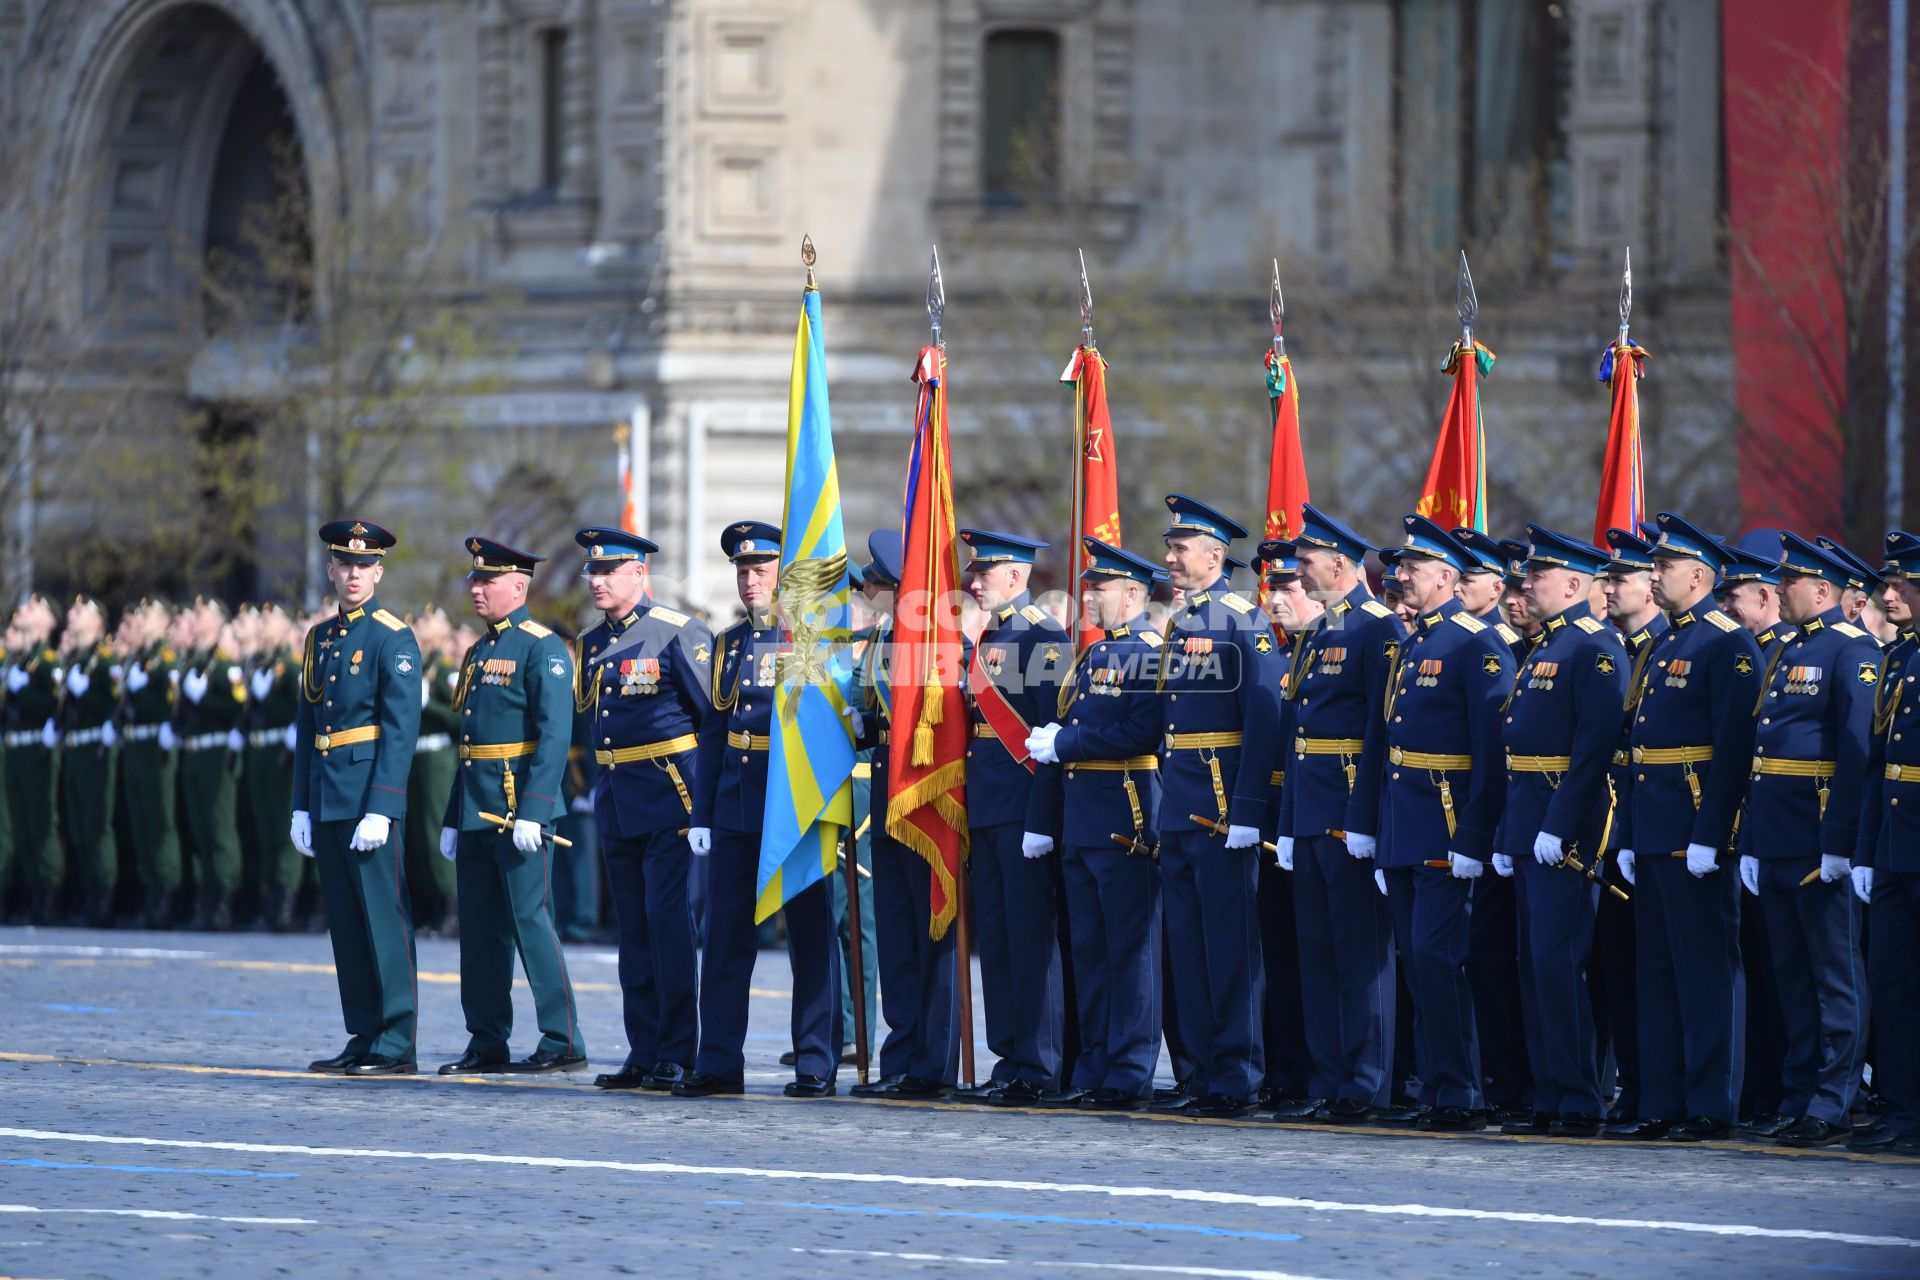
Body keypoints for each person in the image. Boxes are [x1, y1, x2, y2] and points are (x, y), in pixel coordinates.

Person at [680, 521, 842, 1098]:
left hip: (793, 803)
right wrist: (703, 815)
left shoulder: (811, 638)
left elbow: (831, 730)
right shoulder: (728, 644)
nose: (750, 582)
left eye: (761, 571)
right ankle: (719, 1061)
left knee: (810, 935)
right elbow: (715, 732)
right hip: (736, 806)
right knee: (724, 939)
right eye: (743, 572)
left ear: (783, 575)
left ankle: (816, 1060)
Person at [1615, 512, 1763, 1142]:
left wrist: (1713, 832)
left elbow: (1733, 751)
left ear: (1699, 575)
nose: (1654, 574)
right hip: (1653, 826)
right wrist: (1627, 836)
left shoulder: (1726, 643)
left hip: (1694, 829)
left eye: (1664, 566)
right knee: (1659, 969)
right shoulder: (1667, 641)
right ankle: (1663, 1098)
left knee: (1704, 969)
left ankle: (1708, 1104)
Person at [1735, 532, 1877, 1147]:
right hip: (1776, 836)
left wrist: (1841, 841)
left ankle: (1833, 1099)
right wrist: (1751, 842)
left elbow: (1856, 751)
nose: (1779, 590)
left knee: (1834, 975)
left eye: (1790, 582)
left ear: (1823, 590)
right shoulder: (1792, 650)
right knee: (1790, 974)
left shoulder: (1852, 651)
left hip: (1820, 840)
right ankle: (1799, 1094)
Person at [1373, 517, 1513, 1131]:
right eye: (1400, 568)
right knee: (1416, 958)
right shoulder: (1416, 642)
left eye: (1411, 569)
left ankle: (1460, 1090)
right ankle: (1435, 1085)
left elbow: (1492, 753)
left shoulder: (1476, 644)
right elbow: (1392, 747)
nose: (1399, 577)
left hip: (1448, 827)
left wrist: (1475, 837)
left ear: (1447, 578)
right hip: (1407, 827)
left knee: (1439, 956)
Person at [1151, 495, 1284, 1119]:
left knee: (1229, 945)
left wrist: (1249, 810)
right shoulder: (1184, 620)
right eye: (1171, 547)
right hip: (1180, 802)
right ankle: (1202, 1072)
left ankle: (1237, 1074)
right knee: (1188, 944)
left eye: (1181, 549)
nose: (1170, 557)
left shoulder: (1242, 621)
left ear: (1215, 555)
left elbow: (1264, 722)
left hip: (1222, 805)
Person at [1025, 538, 1167, 1110]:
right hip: (1084, 822)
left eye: (1100, 589)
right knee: (1090, 949)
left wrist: (1069, 742)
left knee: (1131, 952)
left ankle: (1129, 1071)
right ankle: (1094, 1065)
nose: (1089, 598)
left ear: (1133, 592)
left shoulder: (1152, 652)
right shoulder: (1095, 655)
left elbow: (1142, 732)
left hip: (1126, 817)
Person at [437, 536, 586, 1075]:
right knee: (479, 931)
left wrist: (536, 809)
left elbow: (553, 736)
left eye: (488, 580)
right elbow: (471, 743)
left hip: (518, 807)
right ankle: (486, 1038)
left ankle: (563, 1037)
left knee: (530, 921)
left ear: (518, 586)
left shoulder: (541, 647)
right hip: (478, 806)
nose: (477, 589)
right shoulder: (479, 652)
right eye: (475, 579)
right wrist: (455, 815)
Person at [1497, 525, 1628, 1138]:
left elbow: (1594, 746)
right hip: (1526, 819)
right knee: (1532, 965)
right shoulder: (1546, 644)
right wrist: (1509, 832)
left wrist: (1559, 823)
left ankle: (1579, 1097)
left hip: (1564, 828)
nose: (1526, 585)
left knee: (1558, 962)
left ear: (1575, 584)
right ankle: (1549, 1093)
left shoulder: (1594, 647)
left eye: (1538, 577)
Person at [572, 525, 713, 1094]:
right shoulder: (589, 643)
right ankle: (644, 1047)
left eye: (609, 572)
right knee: (633, 931)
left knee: (669, 925)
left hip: (671, 799)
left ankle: (677, 1051)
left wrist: (705, 806)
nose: (598, 582)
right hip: (618, 798)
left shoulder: (679, 634)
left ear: (639, 574)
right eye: (593, 572)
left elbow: (711, 721)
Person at [1276, 504, 1404, 1123]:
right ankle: (1329, 1079)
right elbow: (1302, 733)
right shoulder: (1326, 628)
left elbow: (1383, 733)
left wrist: (1365, 817)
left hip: (1349, 810)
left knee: (1358, 953)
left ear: (1341, 564)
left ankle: (1363, 1081)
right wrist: (1287, 824)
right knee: (1317, 950)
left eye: (1305, 563)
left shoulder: (1378, 628)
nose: (1297, 575)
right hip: (1310, 811)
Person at [289, 520, 423, 1075]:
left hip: (367, 795)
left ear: (379, 573)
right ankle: (364, 1031)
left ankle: (396, 1039)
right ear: (331, 570)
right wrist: (300, 802)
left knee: (383, 920)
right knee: (345, 923)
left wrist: (383, 805)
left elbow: (400, 728)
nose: (353, 574)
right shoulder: (320, 638)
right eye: (345, 564)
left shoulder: (393, 637)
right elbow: (307, 723)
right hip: (327, 795)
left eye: (364, 566)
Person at [953, 527, 1071, 1105]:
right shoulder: (991, 637)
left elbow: (1051, 743)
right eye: (972, 572)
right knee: (997, 940)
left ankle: (1040, 1062)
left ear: (1018, 576)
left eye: (984, 572)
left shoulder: (1047, 640)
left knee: (1030, 940)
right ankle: (1009, 1057)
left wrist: (1043, 821)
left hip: (1025, 811)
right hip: (987, 807)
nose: (973, 582)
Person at [850, 530, 957, 1100]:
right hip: (887, 792)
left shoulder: (934, 639)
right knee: (896, 933)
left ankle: (932, 1063)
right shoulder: (883, 640)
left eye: (872, 582)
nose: (865, 590)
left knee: (930, 929)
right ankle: (901, 1053)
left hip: (924, 792)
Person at [1714, 533, 1796, 1137]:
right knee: (1762, 965)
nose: (1725, 605)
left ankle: (1777, 1089)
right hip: (1752, 836)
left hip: (1778, 832)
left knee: (1779, 971)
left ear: (1766, 597)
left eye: (1733, 594)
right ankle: (1762, 1088)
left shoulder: (1780, 653)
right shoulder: (1745, 651)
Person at [1854, 529, 1920, 1154]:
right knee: (1892, 978)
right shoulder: (1899, 657)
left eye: (1901, 584)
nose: (1888, 593)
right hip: (1899, 843)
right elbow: (1881, 762)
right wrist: (1869, 848)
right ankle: (1902, 1110)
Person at [1252, 539, 1316, 1112]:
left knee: (1312, 951)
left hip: (1317, 819)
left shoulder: (1325, 653)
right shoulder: (1272, 656)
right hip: (1273, 819)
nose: (1276, 598)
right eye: (1272, 588)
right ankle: (1282, 1068)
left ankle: (1311, 1071)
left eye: (1289, 587)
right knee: (1276, 949)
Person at [175, 598, 245, 930]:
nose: (194, 617)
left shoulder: (223, 662)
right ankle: (206, 899)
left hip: (217, 753)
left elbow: (237, 707)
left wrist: (204, 698)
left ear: (217, 623)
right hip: (194, 752)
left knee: (219, 829)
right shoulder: (193, 660)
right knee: (200, 829)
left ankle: (224, 900)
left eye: (202, 614)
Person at [117, 600, 182, 928]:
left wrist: (141, 696)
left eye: (147, 617)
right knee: (140, 824)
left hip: (156, 746)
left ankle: (164, 896)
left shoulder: (164, 660)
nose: (140, 622)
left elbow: (169, 706)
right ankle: (148, 894)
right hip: (135, 745)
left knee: (158, 824)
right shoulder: (139, 659)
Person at [57, 595, 118, 926]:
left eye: (81, 610)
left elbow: (114, 702)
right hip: (75, 748)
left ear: (97, 622)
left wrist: (88, 693)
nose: (72, 614)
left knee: (96, 826)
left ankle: (101, 900)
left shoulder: (105, 660)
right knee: (77, 827)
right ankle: (83, 896)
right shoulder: (73, 658)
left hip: (96, 748)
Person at [242, 606, 301, 931]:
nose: (262, 625)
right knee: (264, 826)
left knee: (281, 826)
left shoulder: (290, 666)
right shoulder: (259, 664)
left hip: (282, 748)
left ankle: (284, 901)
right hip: (260, 749)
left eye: (269, 620)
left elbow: (302, 704)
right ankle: (270, 897)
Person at [4, 594, 61, 923]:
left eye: (34, 606)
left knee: (41, 825)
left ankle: (48, 899)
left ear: (47, 622)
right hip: (15, 749)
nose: (23, 608)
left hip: (38, 749)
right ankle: (29, 897)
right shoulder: (20, 661)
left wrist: (23, 691)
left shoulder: (47, 662)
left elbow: (55, 704)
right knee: (21, 825)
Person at [406, 606, 461, 936]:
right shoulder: (422, 667)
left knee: (434, 834)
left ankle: (449, 909)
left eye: (428, 620)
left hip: (438, 758)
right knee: (416, 836)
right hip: (417, 758)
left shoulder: (445, 670)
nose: (420, 623)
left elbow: (459, 718)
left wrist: (431, 704)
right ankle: (427, 907)